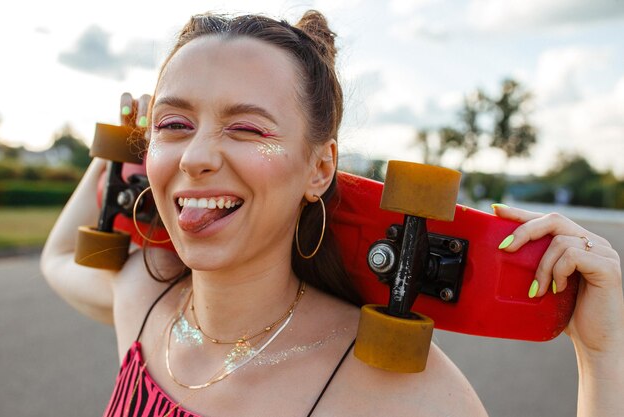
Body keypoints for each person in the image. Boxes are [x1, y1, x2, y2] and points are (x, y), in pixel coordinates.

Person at [40, 10, 623, 417]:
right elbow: (60, 255)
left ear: (320, 168)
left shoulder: (395, 394)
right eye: (174, 125)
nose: (195, 158)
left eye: (245, 128)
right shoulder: (144, 298)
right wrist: (116, 149)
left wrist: (603, 355)